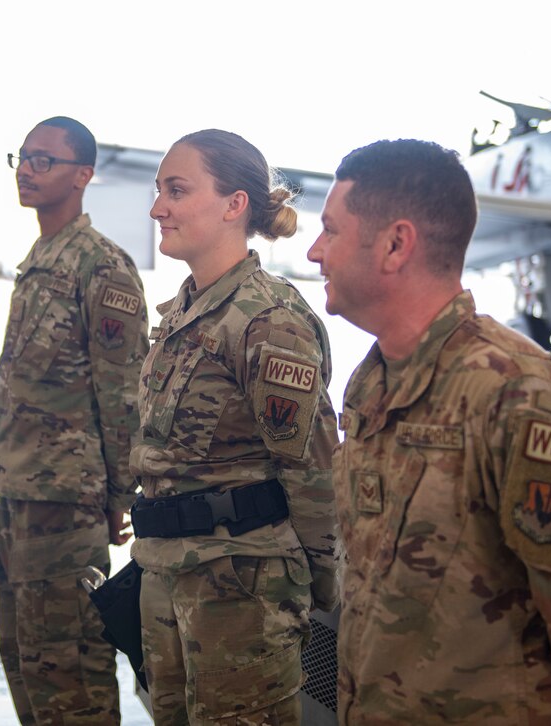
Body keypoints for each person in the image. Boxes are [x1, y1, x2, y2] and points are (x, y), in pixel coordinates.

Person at [307, 138, 551, 724]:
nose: (314, 250)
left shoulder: (520, 396)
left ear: (396, 244)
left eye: (331, 230)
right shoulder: (372, 384)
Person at [129, 129, 341, 725]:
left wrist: (323, 590)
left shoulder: (266, 319)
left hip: (242, 590)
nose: (157, 208)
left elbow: (312, 469)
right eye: (158, 190)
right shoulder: (183, 313)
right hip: (167, 575)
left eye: (177, 190)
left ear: (234, 204)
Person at [0, 116, 150, 724]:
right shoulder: (41, 257)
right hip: (17, 498)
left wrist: (120, 495)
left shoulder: (101, 266)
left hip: (65, 505)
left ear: (83, 175)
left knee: (70, 675)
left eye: (43, 160)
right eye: (22, 157)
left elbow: (123, 389)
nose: (27, 169)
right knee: (24, 663)